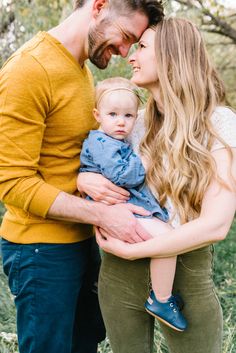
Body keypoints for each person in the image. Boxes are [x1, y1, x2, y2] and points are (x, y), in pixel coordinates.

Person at [0, 1, 165, 352]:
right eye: (124, 37)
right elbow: (11, 183)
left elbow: (68, 155)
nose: (124, 52)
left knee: (85, 342)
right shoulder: (30, 70)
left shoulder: (80, 68)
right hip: (40, 250)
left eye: (132, 44)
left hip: (80, 241)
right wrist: (104, 214)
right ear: (99, 6)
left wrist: (81, 179)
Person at [77, 18, 236, 353]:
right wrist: (83, 178)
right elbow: (97, 164)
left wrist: (137, 249)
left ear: (172, 56)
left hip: (185, 276)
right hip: (118, 274)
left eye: (143, 47)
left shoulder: (219, 122)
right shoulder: (131, 122)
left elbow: (217, 224)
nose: (131, 56)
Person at [79, 76, 187, 331]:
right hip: (116, 209)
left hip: (126, 207)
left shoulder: (113, 140)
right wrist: (145, 163)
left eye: (128, 115)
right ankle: (161, 299)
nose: (121, 121)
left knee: (166, 238)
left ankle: (161, 293)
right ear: (97, 114)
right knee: (167, 241)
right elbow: (122, 176)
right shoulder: (101, 142)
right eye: (113, 114)